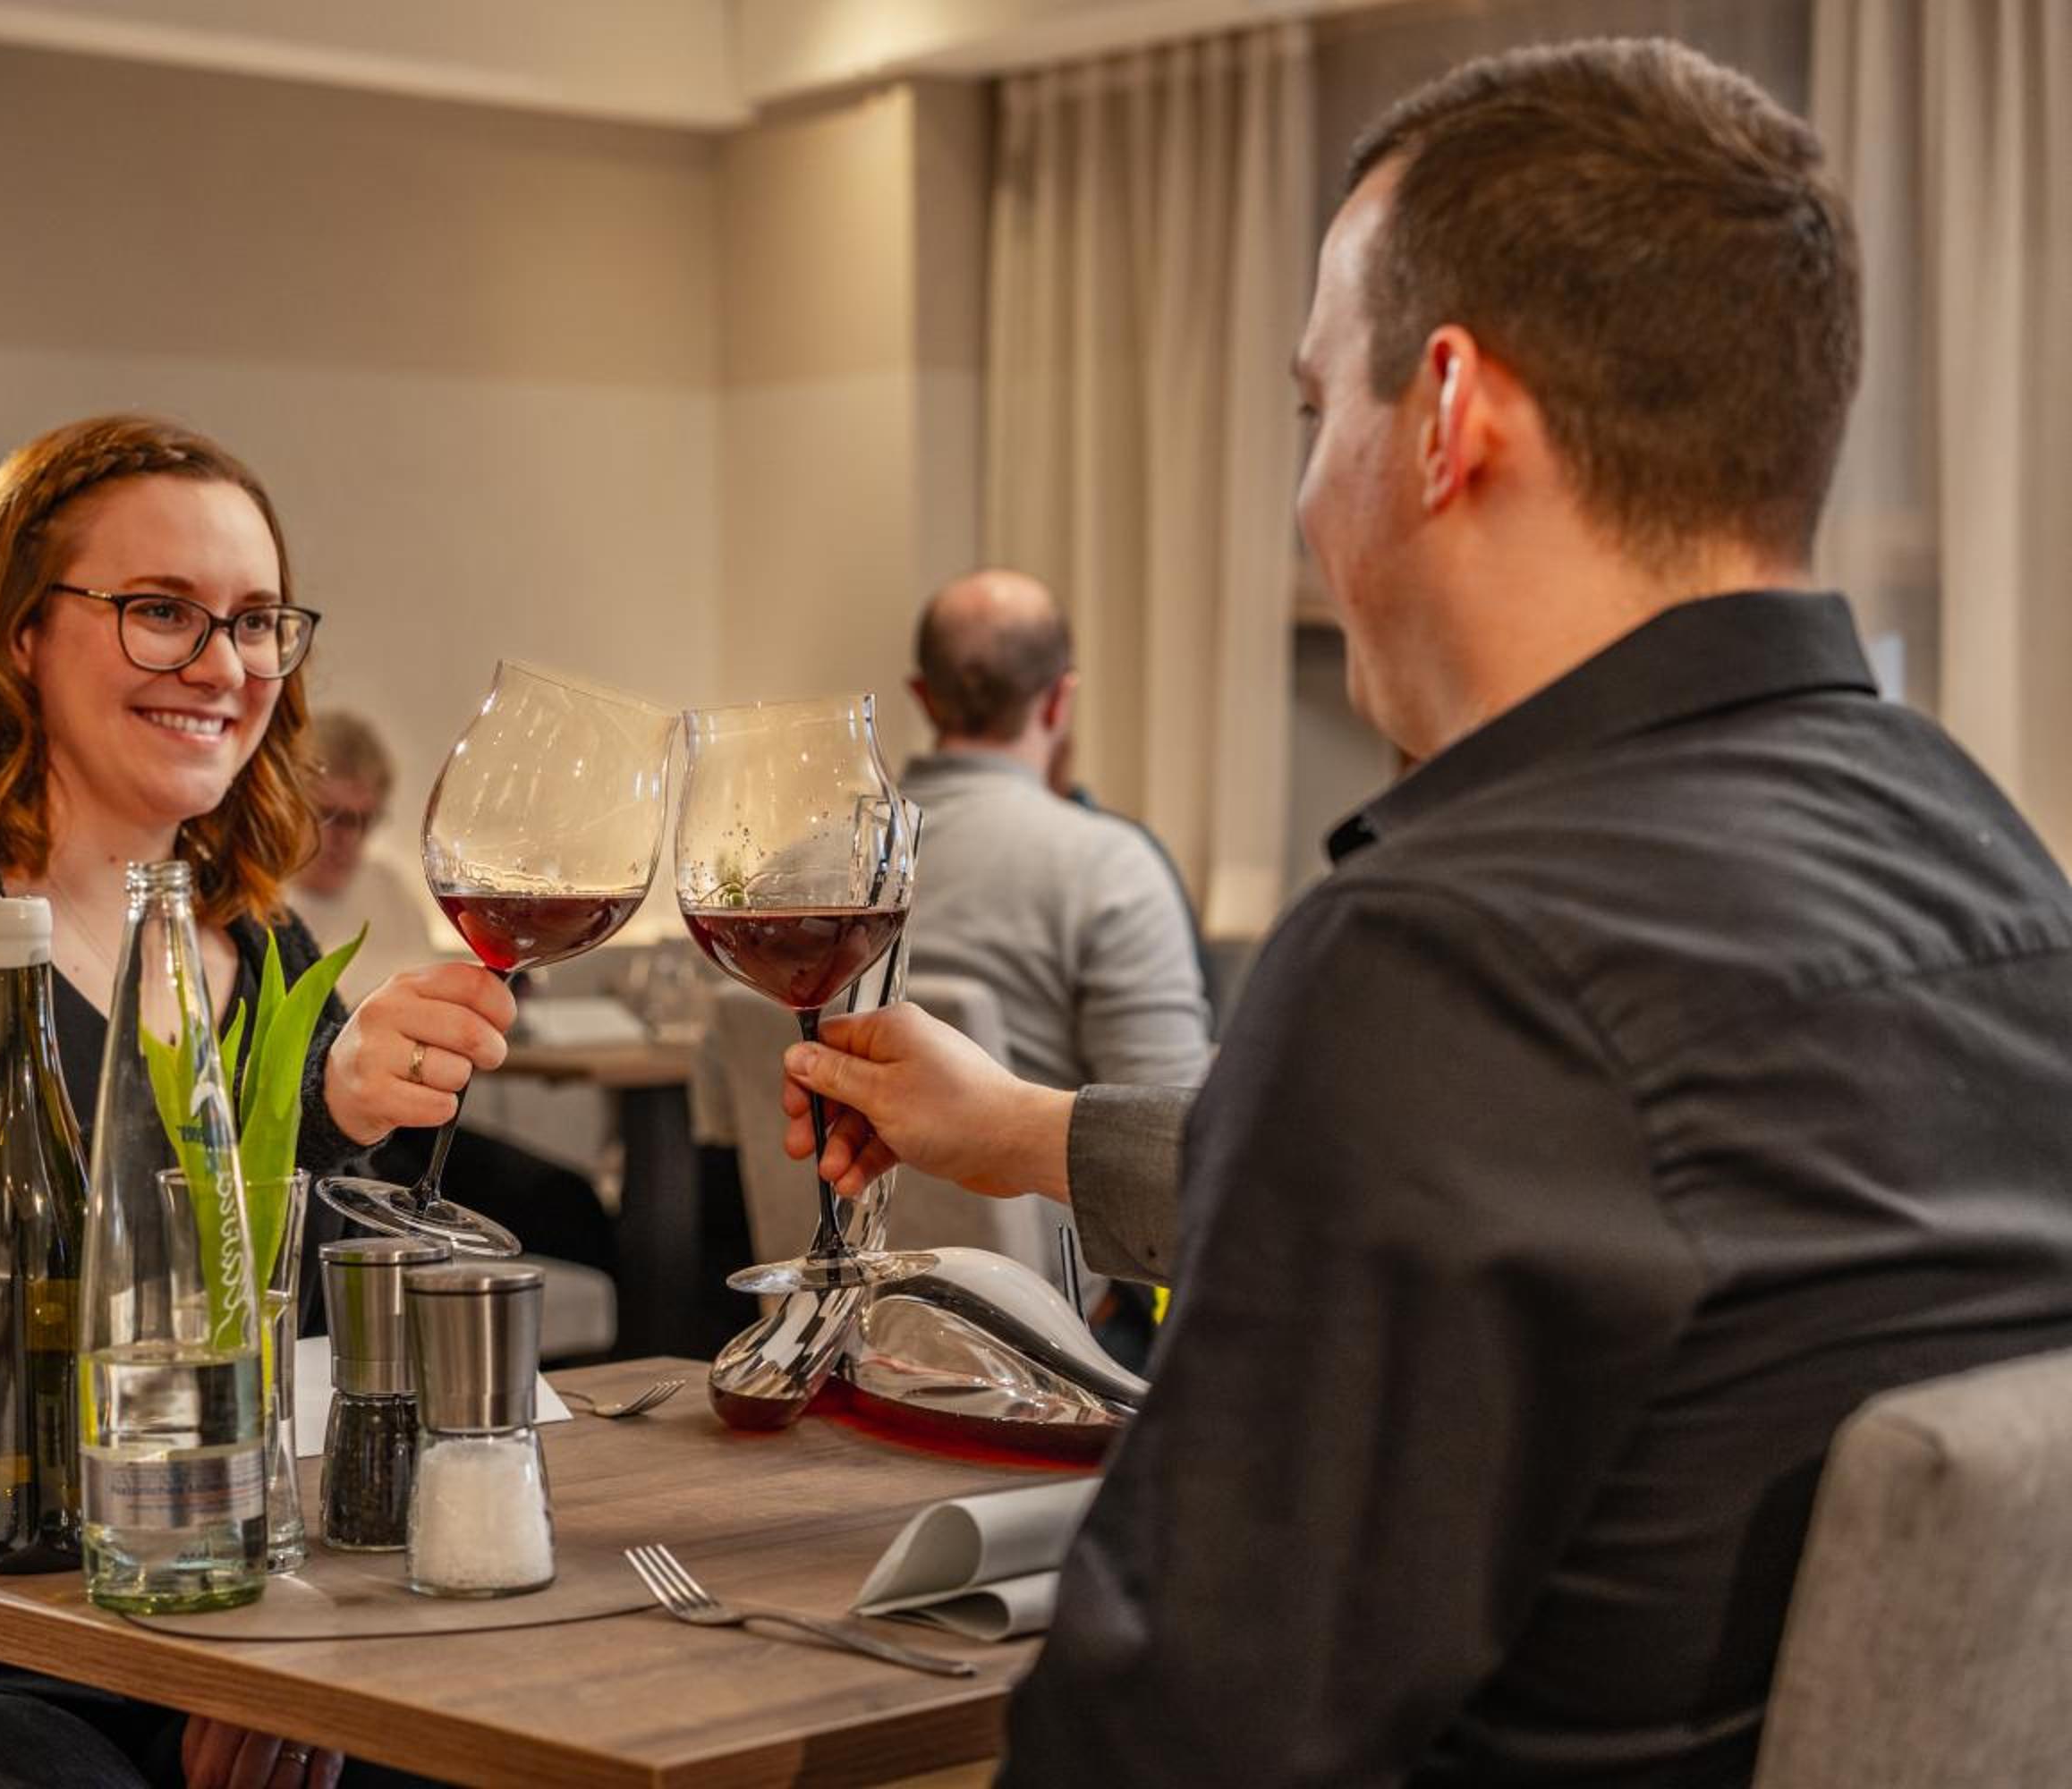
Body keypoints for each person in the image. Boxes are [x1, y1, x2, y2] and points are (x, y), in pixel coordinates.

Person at [780, 40, 2072, 1786]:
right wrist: (1022, 1129)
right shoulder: (2000, 872)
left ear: (1448, 414)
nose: (1311, 495)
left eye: (1319, 413)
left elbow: (1162, 1750)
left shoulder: (1446, 955)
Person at [0, 414, 514, 1789]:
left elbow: (310, 1337)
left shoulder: (267, 946)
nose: (221, 666)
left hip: (224, 1578)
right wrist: (317, 1112)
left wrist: (279, 1643)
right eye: (161, 611)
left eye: (255, 622)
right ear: (14, 633)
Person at [288, 709, 617, 1273]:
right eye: (329, 816)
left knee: (574, 1202)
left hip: (418, 1129)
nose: (346, 838)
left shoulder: (388, 891)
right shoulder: (261, 908)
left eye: (363, 820)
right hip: (324, 1140)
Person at [901, 569, 1213, 1092]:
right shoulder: (1110, 868)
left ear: (923, 697)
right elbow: (1165, 1123)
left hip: (812, 1150)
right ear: (1058, 701)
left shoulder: (813, 872)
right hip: (1028, 1153)